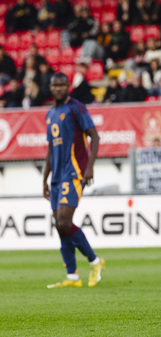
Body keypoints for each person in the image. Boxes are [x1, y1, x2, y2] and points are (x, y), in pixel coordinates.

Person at [42, 73, 105, 288]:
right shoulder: (50, 114)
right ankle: (72, 277)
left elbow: (94, 136)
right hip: (56, 177)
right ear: (50, 87)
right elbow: (51, 149)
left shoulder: (76, 107)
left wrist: (89, 167)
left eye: (62, 84)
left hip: (74, 173)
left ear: (68, 86)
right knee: (60, 227)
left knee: (63, 222)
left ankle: (95, 261)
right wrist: (45, 179)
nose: (58, 88)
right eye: (55, 84)